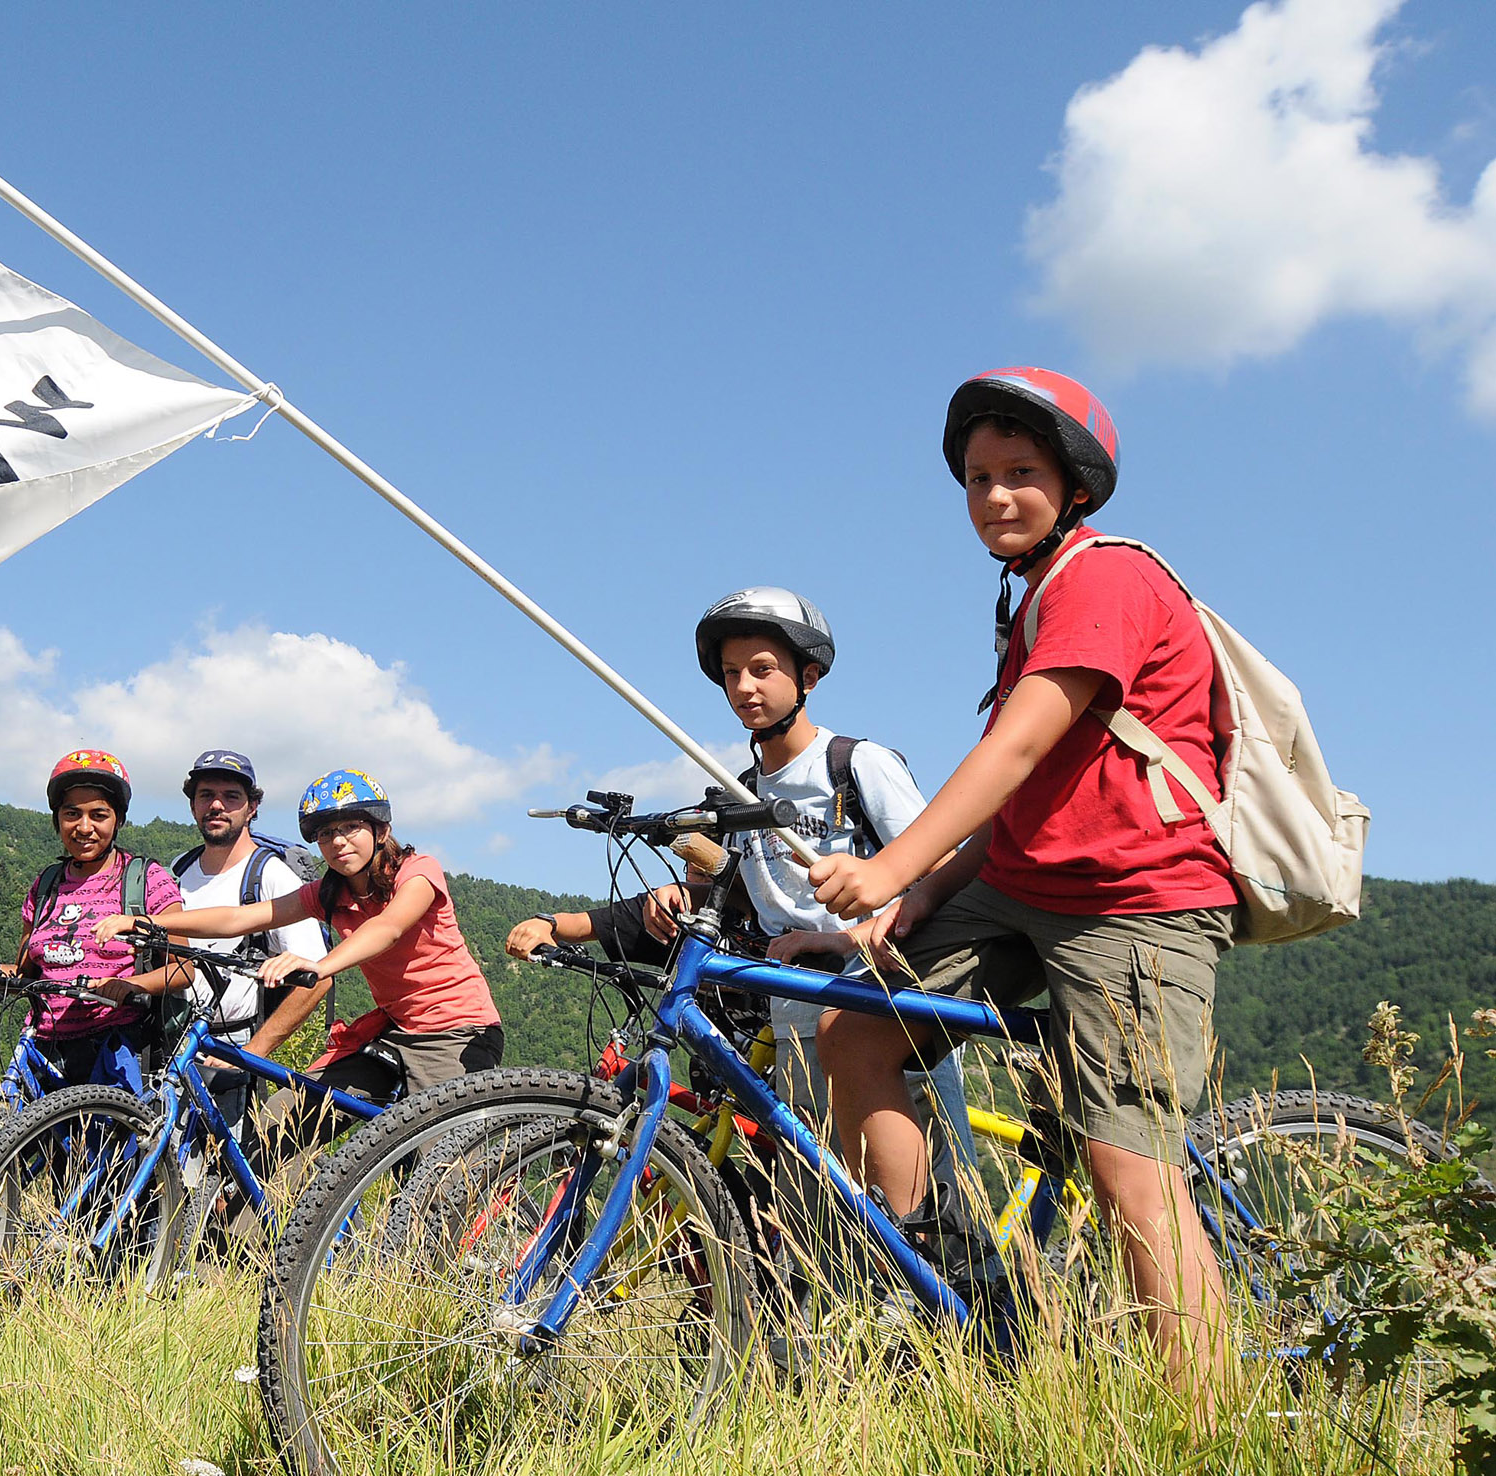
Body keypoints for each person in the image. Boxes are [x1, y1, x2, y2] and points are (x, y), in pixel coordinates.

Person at [808, 367, 1240, 1390]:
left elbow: (1012, 751)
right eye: (976, 478)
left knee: (1127, 1165)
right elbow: (1021, 800)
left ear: (1075, 486)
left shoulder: (1104, 577)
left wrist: (889, 866)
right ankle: (959, 1296)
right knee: (856, 1033)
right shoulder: (1030, 599)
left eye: (1021, 473)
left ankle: (1210, 1425)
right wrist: (926, 891)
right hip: (1022, 885)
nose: (994, 496)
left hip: (1135, 897)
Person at [503, 590, 976, 1191]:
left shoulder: (855, 766)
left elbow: (941, 865)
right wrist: (678, 899)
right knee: (827, 1201)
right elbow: (745, 890)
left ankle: (969, 1281)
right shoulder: (740, 795)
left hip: (878, 996)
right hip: (793, 1009)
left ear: (808, 676)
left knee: (924, 1204)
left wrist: (852, 934)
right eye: (731, 674)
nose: (744, 688)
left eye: (762, 670)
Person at [96, 767, 503, 1140]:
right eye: (326, 834)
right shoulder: (329, 893)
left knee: (439, 1166)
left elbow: (389, 928)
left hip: (456, 1032)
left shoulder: (417, 871)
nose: (338, 842)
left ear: (381, 829)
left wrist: (319, 964)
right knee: (278, 1128)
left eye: (350, 827)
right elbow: (240, 919)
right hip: (391, 1030)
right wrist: (149, 923)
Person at [0, 749, 191, 1092]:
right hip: (44, 1050)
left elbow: (184, 970)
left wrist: (131, 986)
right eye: (72, 814)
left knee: (107, 1146)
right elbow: (25, 974)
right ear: (57, 820)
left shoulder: (147, 880)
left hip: (118, 1050)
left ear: (118, 820)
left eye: (99, 815)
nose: (84, 827)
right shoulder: (46, 885)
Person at [168, 749, 331, 1121]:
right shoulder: (179, 870)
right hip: (172, 1042)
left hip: (230, 1048)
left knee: (219, 1173)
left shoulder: (270, 876)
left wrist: (252, 1053)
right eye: (206, 795)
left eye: (231, 797)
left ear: (252, 807)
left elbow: (318, 977)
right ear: (192, 805)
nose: (217, 806)